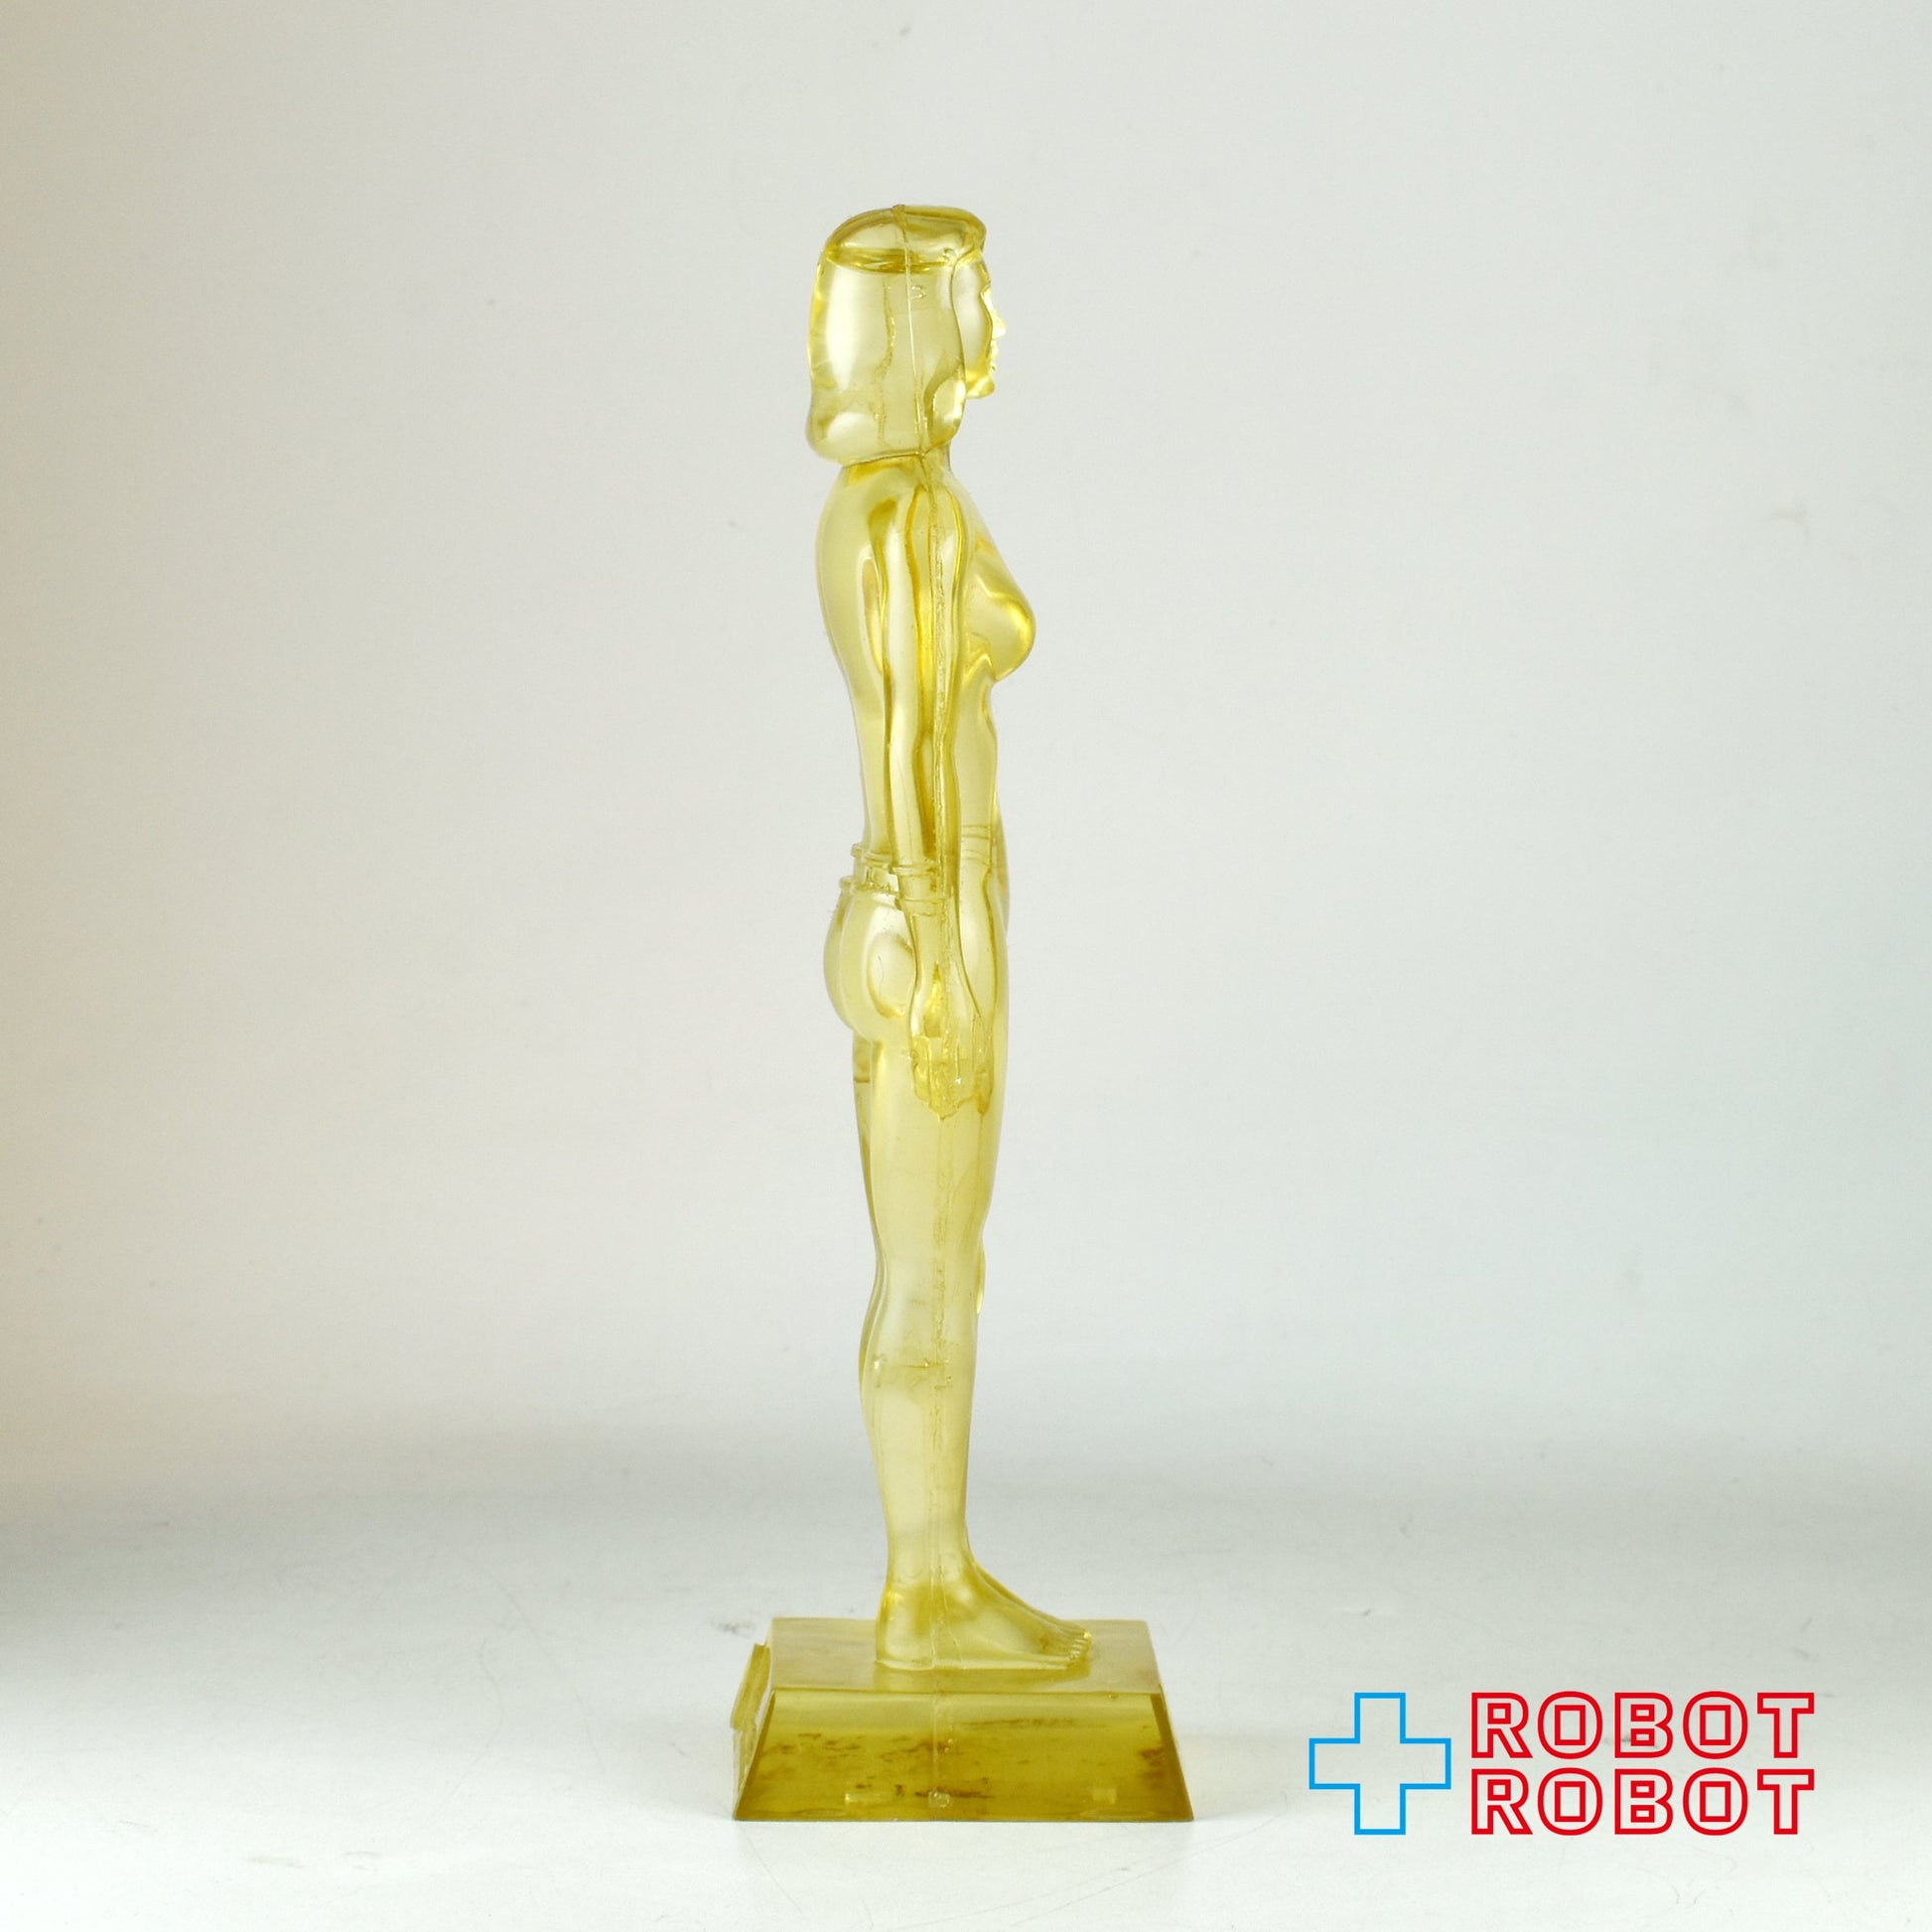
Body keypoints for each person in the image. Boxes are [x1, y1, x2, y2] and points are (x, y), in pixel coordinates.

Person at [809, 207, 1089, 1673]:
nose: (997, 322)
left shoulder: (895, 500)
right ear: (925, 327)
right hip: (925, 899)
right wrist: (939, 955)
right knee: (929, 1268)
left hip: (923, 897)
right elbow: (911, 745)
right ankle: (924, 1591)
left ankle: (938, 1571)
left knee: (941, 1260)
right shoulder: (904, 517)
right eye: (978, 297)